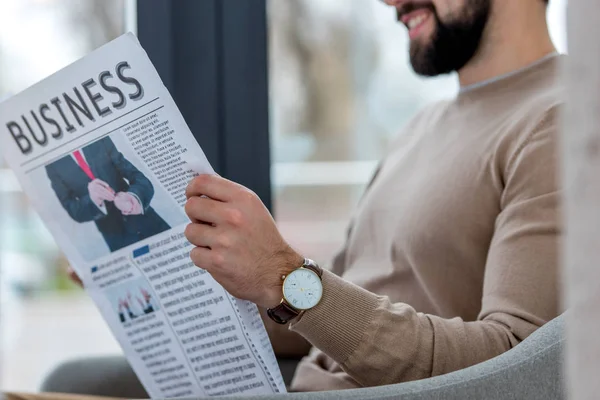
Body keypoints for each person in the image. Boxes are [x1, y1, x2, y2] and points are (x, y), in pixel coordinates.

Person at [42, 0, 562, 396]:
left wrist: (282, 274)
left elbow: (516, 369)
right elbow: (324, 322)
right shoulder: (423, 126)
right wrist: (167, 285)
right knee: (67, 379)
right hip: (301, 384)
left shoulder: (561, 119)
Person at [45, 136, 170, 253]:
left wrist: (133, 196)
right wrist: (93, 200)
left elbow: (137, 177)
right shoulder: (52, 164)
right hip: (116, 237)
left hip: (148, 223)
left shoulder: (97, 138)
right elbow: (72, 209)